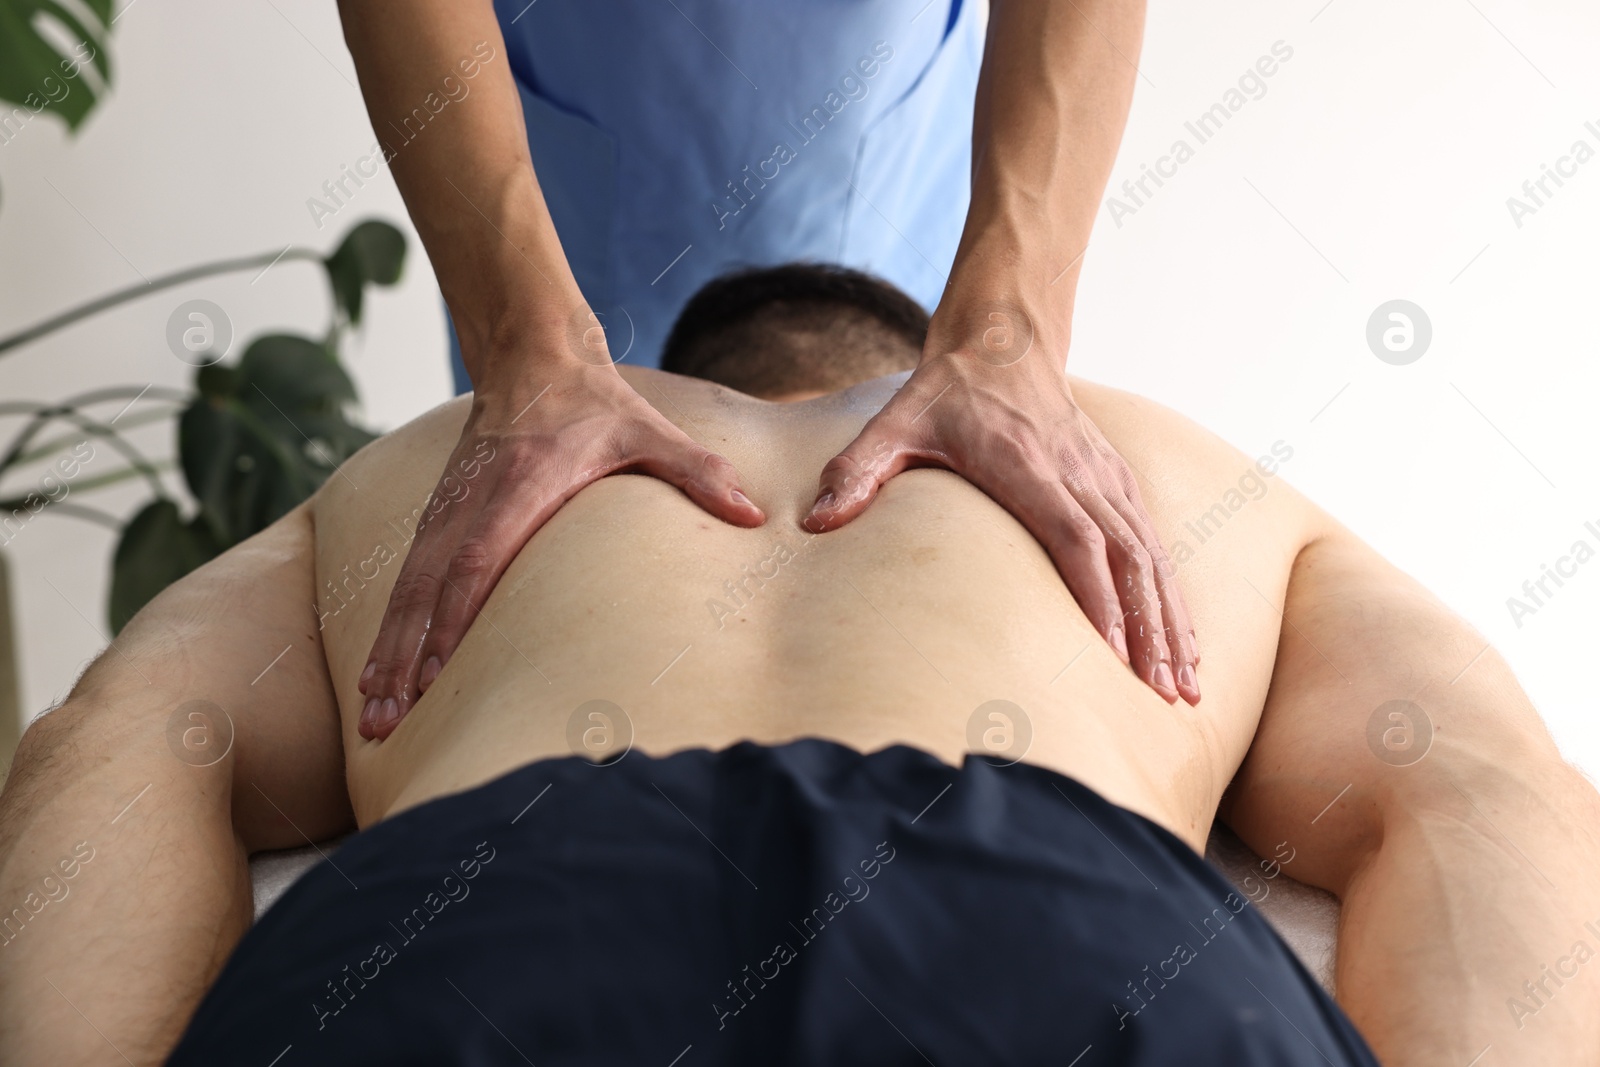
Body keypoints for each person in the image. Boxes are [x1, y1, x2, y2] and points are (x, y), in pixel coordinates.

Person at [2, 266, 1597, 1065]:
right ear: (906, 359)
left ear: (681, 376)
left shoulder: (451, 466)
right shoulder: (1147, 464)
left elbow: (122, 739)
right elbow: (1475, 787)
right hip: (1051, 923)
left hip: (499, 912)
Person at [334, 0, 1203, 732]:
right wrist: (524, 344)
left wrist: (1012, 334)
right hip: (566, 129)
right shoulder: (1183, 464)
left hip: (881, 108)